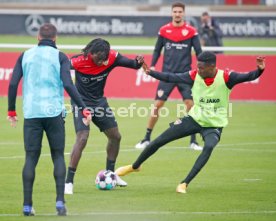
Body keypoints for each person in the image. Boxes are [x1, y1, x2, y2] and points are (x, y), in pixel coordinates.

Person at [116, 51, 265, 194]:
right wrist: (150, 72)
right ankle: (134, 166)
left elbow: (249, 76)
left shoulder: (227, 77)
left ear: (212, 67)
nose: (198, 69)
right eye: (197, 66)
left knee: (208, 147)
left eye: (201, 67)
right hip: (193, 119)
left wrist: (259, 70)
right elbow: (170, 77)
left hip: (214, 125)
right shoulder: (194, 75)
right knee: (160, 140)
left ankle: (184, 183)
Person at [7, 23, 91, 216]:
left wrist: (11, 111)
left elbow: (12, 84)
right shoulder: (60, 56)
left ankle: (27, 205)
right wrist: (83, 108)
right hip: (54, 113)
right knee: (58, 156)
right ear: (55, 38)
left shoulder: (25, 55)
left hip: (32, 113)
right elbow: (69, 85)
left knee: (30, 158)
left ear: (38, 38)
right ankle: (60, 202)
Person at [64, 38, 144, 194]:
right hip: (81, 103)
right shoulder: (77, 61)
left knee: (115, 136)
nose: (101, 62)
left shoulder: (112, 57)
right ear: (90, 53)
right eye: (98, 59)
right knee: (82, 138)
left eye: (104, 59)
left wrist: (139, 62)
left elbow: (133, 65)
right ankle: (68, 182)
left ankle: (111, 174)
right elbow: (61, 73)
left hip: (99, 103)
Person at [135, 2, 203, 150]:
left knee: (190, 106)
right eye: (175, 12)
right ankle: (146, 138)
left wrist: (202, 68)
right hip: (166, 75)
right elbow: (157, 50)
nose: (177, 14)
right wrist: (152, 65)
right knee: (157, 105)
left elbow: (199, 52)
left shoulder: (191, 32)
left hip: (185, 75)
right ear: (172, 13)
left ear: (183, 13)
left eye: (180, 12)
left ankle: (193, 141)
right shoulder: (164, 30)